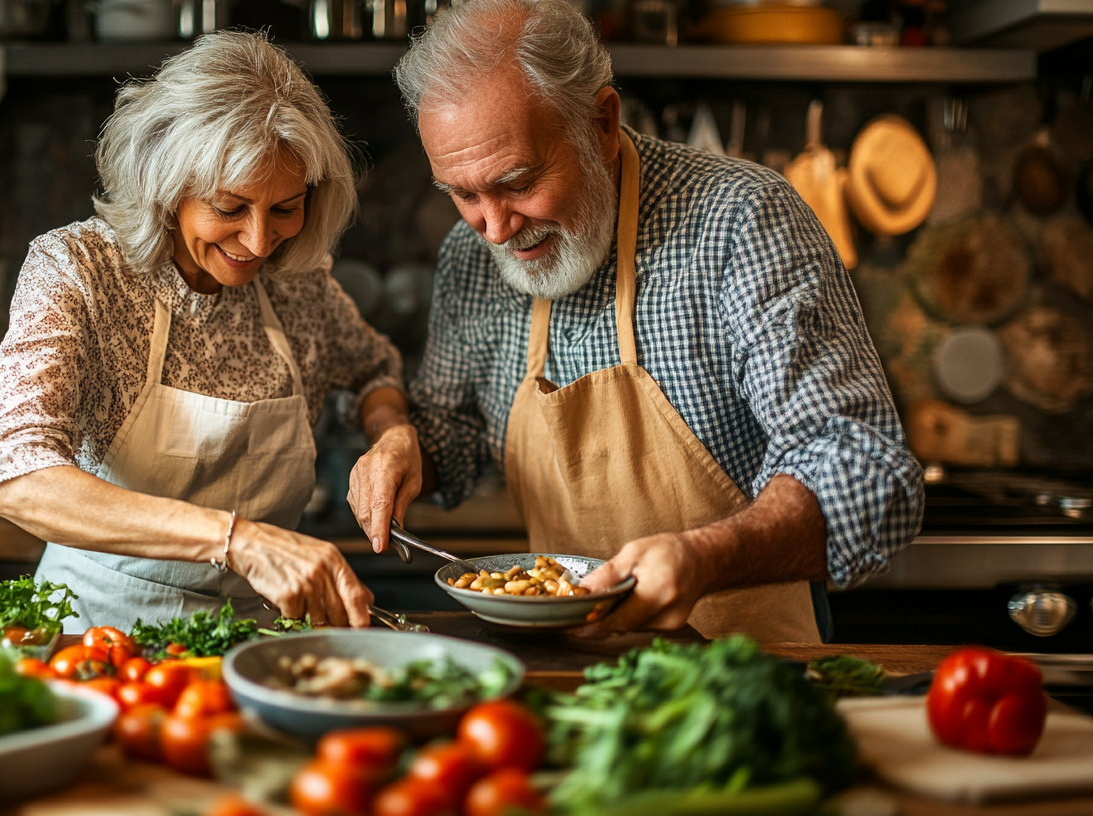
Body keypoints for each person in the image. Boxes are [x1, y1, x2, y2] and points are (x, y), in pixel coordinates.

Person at [350, 0, 923, 643]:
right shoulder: (473, 259)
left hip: (747, 670)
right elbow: (453, 433)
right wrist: (406, 442)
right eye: (462, 193)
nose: (496, 226)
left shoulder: (739, 222)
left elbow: (866, 470)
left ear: (600, 121)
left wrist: (706, 559)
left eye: (517, 181)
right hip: (572, 675)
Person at [0, 31, 424, 633]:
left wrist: (391, 434)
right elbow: (11, 471)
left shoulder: (298, 283)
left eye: (285, 208)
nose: (260, 242)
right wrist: (237, 540)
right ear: (166, 188)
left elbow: (373, 370)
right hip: (100, 637)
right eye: (230, 209)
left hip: (263, 635)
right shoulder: (79, 272)